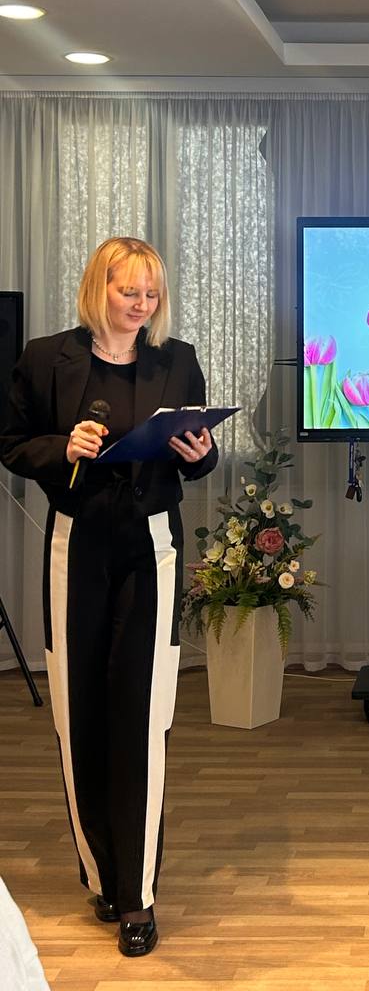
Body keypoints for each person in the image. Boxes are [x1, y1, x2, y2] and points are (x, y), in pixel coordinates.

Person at [0, 238, 217, 958]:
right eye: (131, 292)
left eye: (152, 294)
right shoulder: (45, 358)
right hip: (77, 545)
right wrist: (63, 447)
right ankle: (101, 874)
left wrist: (201, 454)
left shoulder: (176, 360)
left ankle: (138, 896)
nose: (143, 305)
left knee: (141, 719)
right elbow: (12, 442)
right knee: (79, 715)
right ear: (100, 288)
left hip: (150, 549)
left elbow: (198, 451)